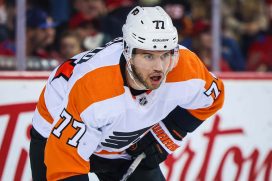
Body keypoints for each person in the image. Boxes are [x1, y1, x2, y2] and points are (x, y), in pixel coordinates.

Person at [29, 6, 224, 181]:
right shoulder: (94, 87)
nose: (159, 67)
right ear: (128, 53)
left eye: (166, 54)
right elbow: (64, 164)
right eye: (148, 56)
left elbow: (213, 99)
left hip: (122, 144)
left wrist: (166, 135)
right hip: (56, 132)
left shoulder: (185, 67)